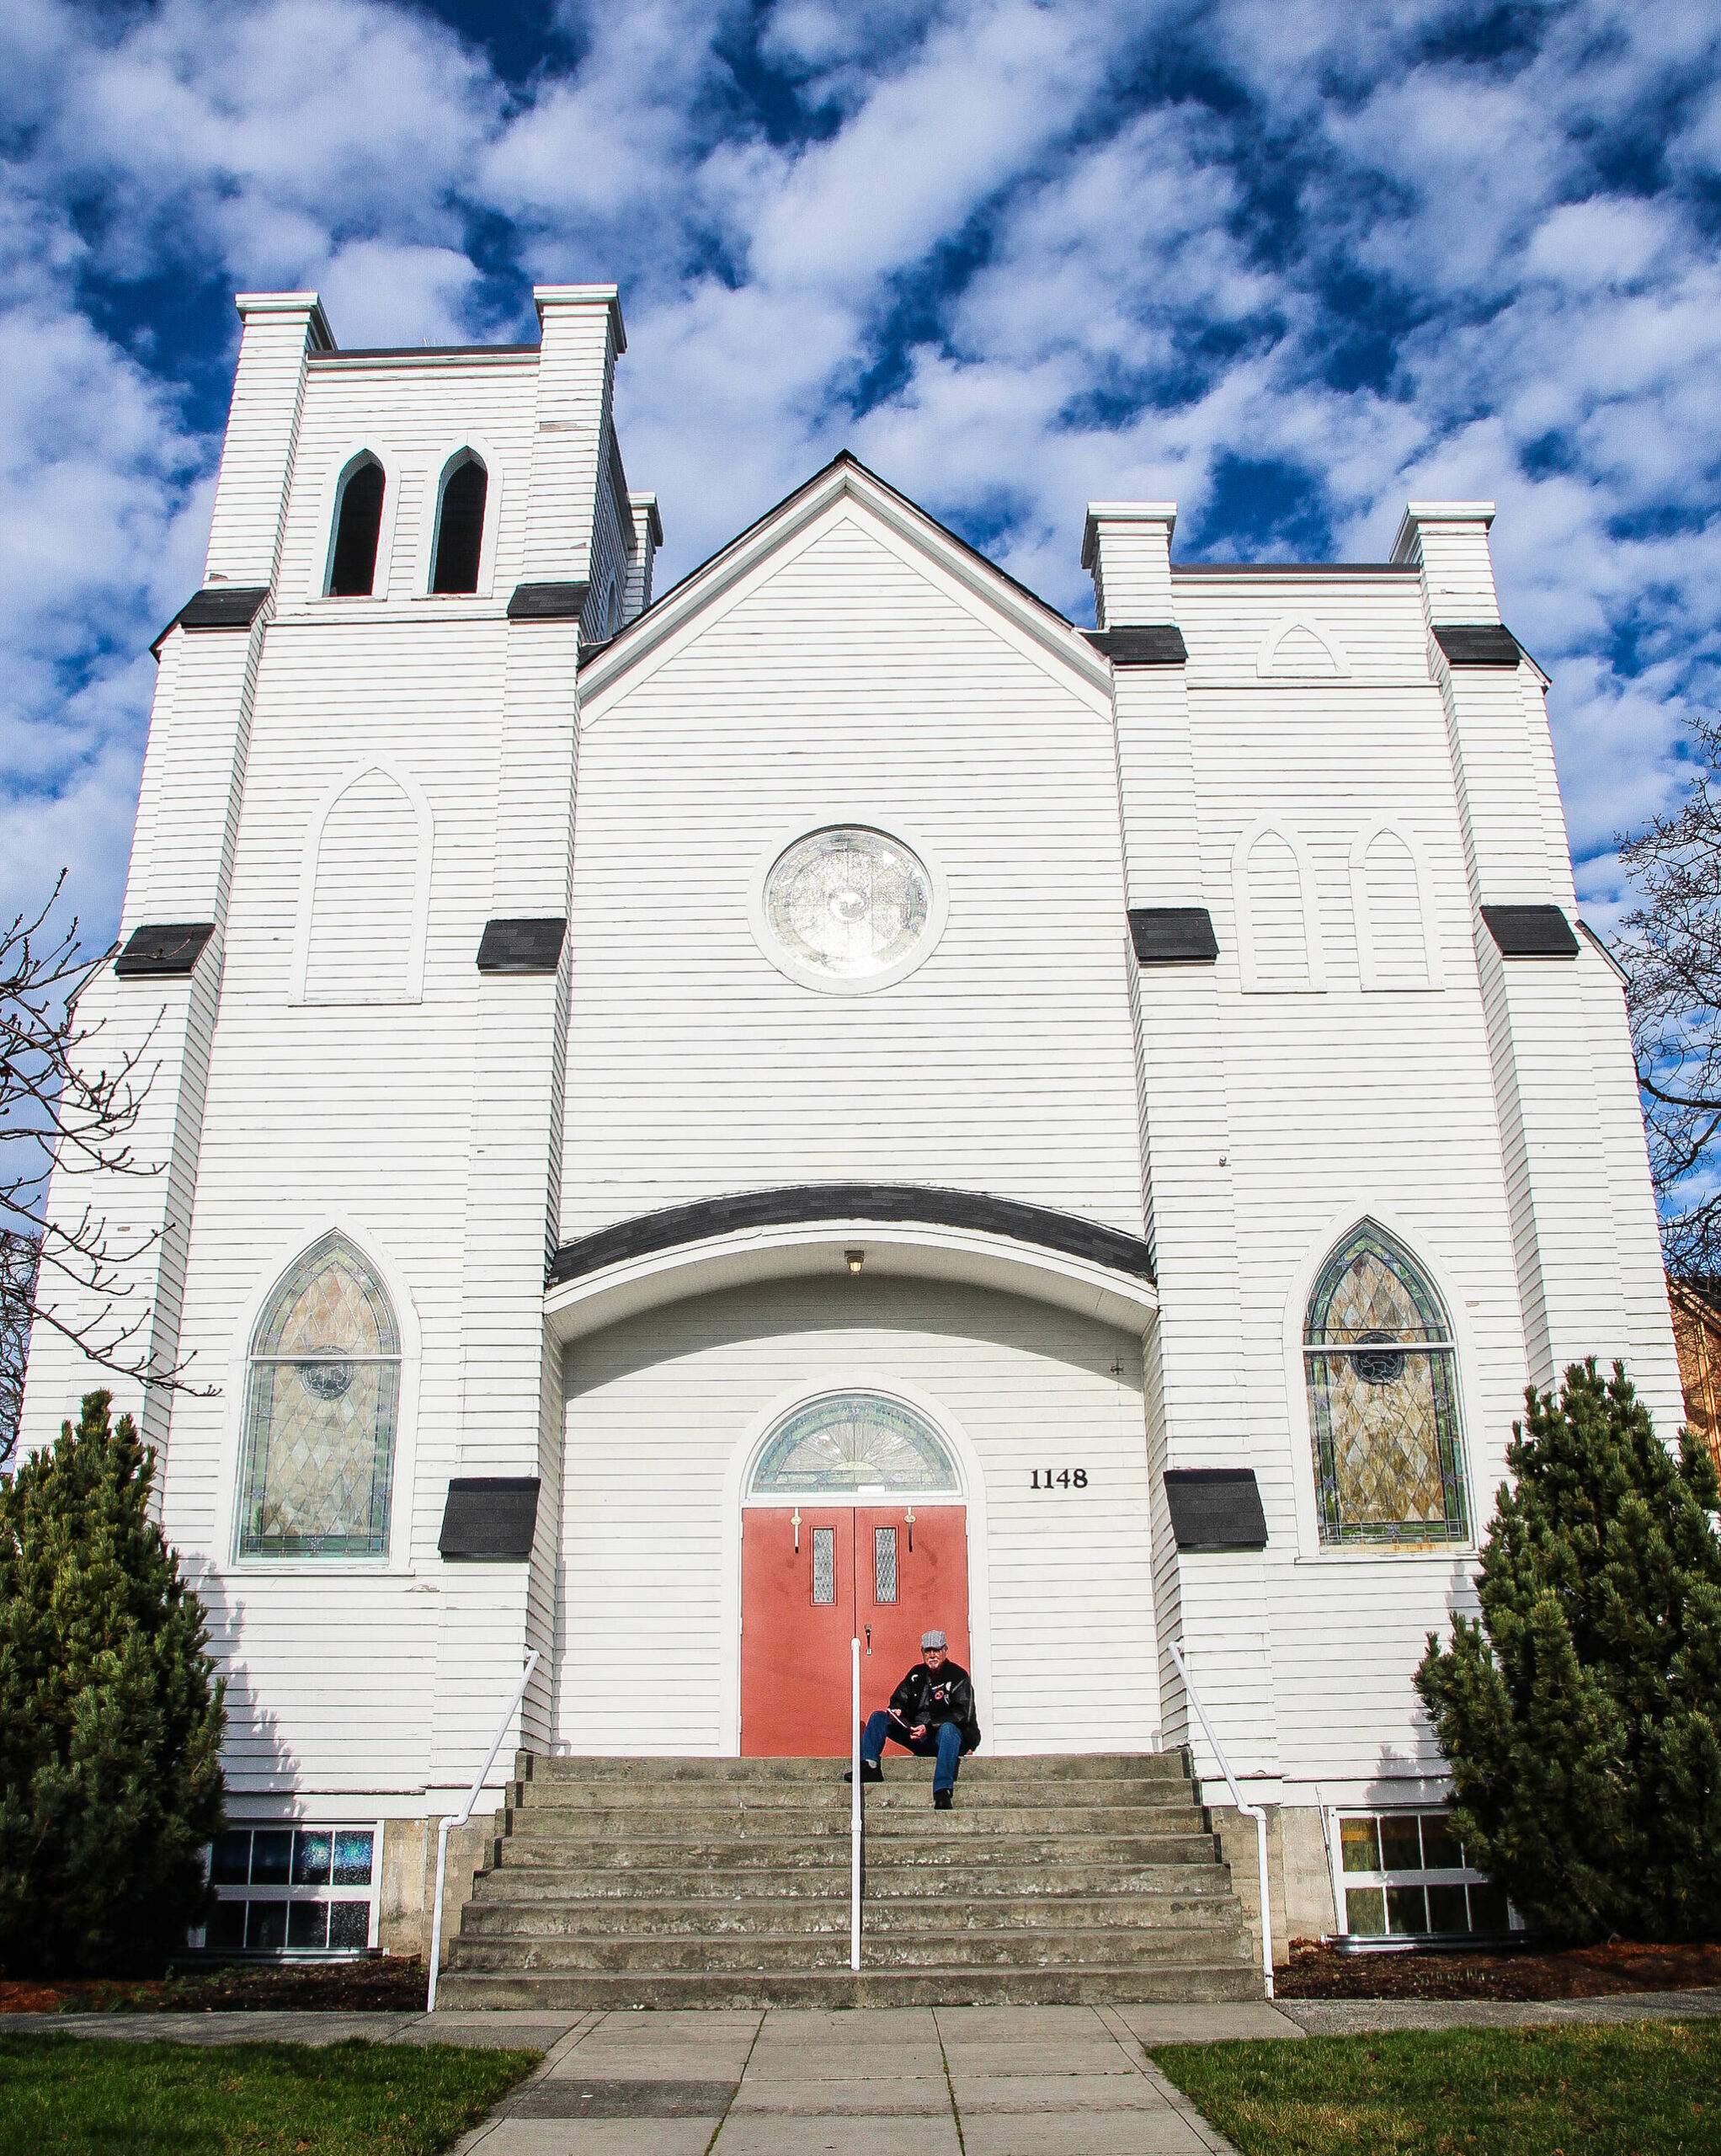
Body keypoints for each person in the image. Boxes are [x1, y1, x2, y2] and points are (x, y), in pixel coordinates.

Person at [850, 1630, 980, 1809]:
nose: (932, 1655)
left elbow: (962, 1713)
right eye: (928, 1651)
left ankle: (942, 1790)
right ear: (922, 1652)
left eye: (937, 1650)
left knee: (949, 1729)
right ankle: (870, 1766)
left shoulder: (958, 1676)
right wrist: (898, 1710)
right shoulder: (916, 1674)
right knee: (879, 1717)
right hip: (916, 1734)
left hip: (942, 1737)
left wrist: (929, 1727)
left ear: (945, 1650)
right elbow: (899, 1698)